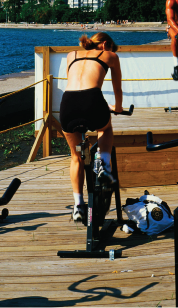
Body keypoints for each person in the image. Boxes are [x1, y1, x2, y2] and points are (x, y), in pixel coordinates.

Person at [59, 32, 124, 223]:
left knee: (75, 156)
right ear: (105, 45)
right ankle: (103, 164)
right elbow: (117, 88)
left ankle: (78, 206)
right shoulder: (111, 56)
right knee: (105, 128)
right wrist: (118, 108)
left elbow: (74, 83)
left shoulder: (71, 55)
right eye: (111, 47)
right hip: (92, 101)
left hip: (68, 103)